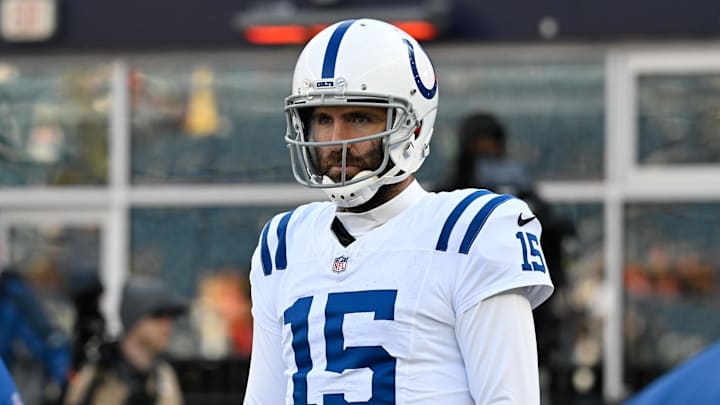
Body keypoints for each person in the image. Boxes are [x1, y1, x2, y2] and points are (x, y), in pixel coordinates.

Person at [243, 18, 554, 404]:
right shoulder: (284, 244)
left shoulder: (470, 232)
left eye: (358, 117)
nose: (335, 140)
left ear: (414, 126)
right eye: (323, 119)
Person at [63, 275, 186, 405]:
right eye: (158, 316)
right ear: (134, 319)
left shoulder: (164, 375)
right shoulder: (98, 376)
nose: (167, 327)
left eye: (170, 317)